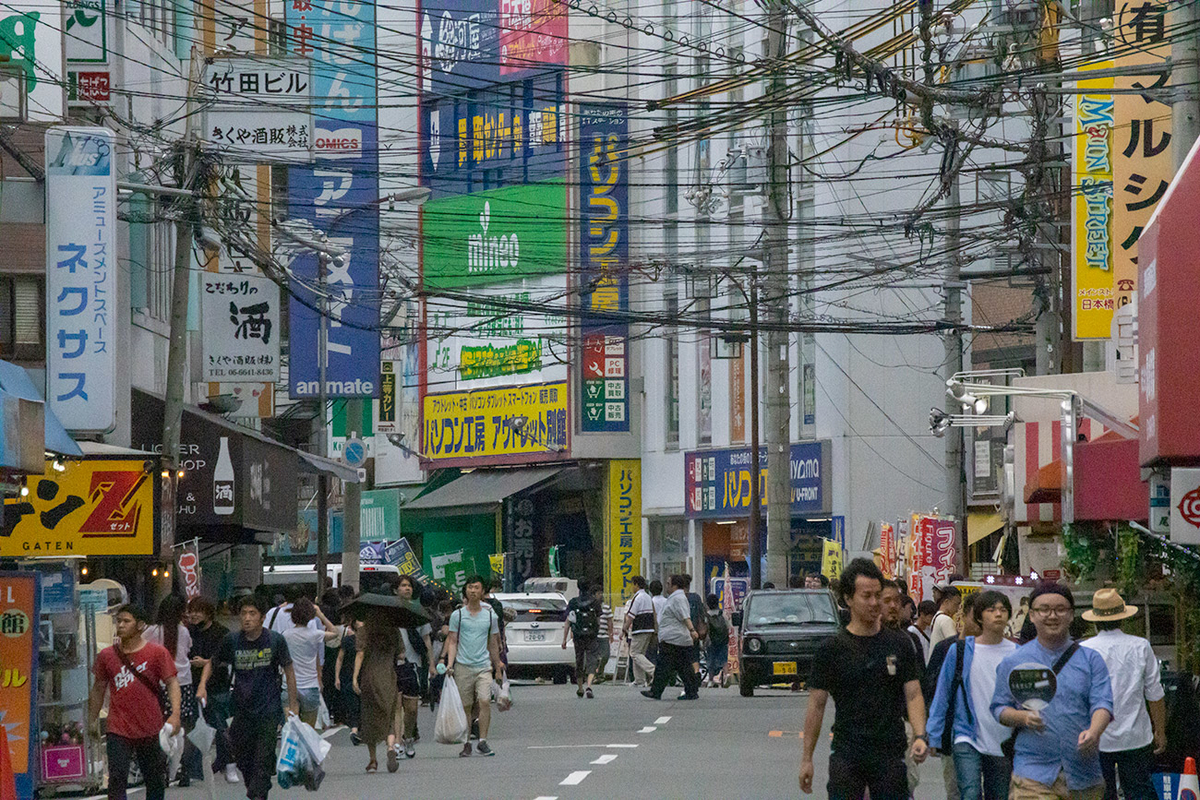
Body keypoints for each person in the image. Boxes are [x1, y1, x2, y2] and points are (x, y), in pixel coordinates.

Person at [799, 558, 929, 798]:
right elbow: (817, 705)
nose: (874, 603)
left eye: (877, 596)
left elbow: (913, 694)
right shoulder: (832, 649)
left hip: (890, 753)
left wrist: (920, 735)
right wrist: (807, 759)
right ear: (848, 599)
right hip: (848, 753)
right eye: (866, 596)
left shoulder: (899, 643)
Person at [991, 583, 1113, 800]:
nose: (1052, 615)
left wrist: (1094, 731)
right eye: (1044, 609)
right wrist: (1023, 717)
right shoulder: (1014, 662)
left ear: (1071, 615)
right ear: (1031, 615)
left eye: (1060, 609)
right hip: (1032, 772)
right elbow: (999, 708)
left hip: (1084, 773)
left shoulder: (1091, 660)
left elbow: (1103, 704)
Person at [198, 593, 298, 800]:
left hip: (268, 710)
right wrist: (202, 686)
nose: (247, 618)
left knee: (262, 760)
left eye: (252, 613)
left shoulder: (275, 640)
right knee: (244, 760)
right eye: (243, 613)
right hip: (240, 711)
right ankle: (256, 791)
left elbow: (289, 669)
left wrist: (293, 705)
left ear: (262, 617)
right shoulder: (232, 640)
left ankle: (258, 794)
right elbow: (212, 662)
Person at [927, 590, 1017, 800]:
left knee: (1000, 794)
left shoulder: (1017, 652)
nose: (998, 614)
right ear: (978, 616)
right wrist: (934, 733)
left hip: (1004, 738)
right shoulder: (959, 651)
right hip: (966, 735)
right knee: (970, 793)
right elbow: (943, 694)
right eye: (991, 609)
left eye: (1003, 610)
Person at [1080, 589, 1167, 800]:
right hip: (1135, 736)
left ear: (1095, 622)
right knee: (1140, 791)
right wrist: (1160, 731)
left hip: (1095, 738)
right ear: (1124, 620)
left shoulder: (1083, 649)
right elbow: (1154, 694)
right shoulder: (1141, 646)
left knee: (1100, 793)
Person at [89, 604, 181, 800]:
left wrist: (175, 715)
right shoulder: (106, 656)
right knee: (117, 779)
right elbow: (98, 689)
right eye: (118, 621)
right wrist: (91, 719)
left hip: (151, 727)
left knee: (155, 780)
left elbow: (172, 683)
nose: (120, 625)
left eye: (126, 621)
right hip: (118, 728)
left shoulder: (157, 653)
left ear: (140, 625)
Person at [446, 575, 504, 757]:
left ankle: (483, 741)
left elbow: (493, 642)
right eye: (470, 587)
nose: (473, 591)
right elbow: (453, 640)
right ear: (465, 590)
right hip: (463, 666)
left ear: (482, 592)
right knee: (466, 705)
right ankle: (466, 742)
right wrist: (450, 664)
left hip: (483, 666)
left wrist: (497, 667)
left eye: (476, 587)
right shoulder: (458, 615)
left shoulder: (490, 616)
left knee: (485, 701)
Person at [144, 594, 197, 787]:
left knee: (161, 727)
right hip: (183, 682)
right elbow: (188, 650)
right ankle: (182, 769)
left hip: (160, 684)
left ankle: (163, 769)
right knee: (182, 727)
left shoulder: (152, 631)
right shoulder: (183, 631)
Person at [187, 596, 238, 784]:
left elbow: (229, 659)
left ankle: (228, 762)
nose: (193, 615)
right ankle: (194, 770)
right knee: (195, 727)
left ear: (208, 613)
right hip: (193, 685)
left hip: (218, 686)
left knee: (220, 726)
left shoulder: (222, 633)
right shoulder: (188, 632)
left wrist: (206, 662)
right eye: (191, 611)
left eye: (198, 611)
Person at [354, 609, 403, 772]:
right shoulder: (394, 630)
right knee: (388, 714)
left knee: (369, 717)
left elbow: (360, 653)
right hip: (388, 676)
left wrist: (354, 677)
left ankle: (373, 760)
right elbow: (401, 653)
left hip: (369, 677)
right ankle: (390, 747)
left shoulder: (364, 630)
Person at [641, 574, 701, 700]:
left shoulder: (678, 598)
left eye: (668, 583)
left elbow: (685, 616)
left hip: (673, 639)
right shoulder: (676, 597)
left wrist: (692, 630)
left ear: (675, 586)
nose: (666, 586)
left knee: (663, 666)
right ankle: (691, 691)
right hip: (676, 639)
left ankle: (656, 691)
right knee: (683, 667)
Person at [281, 597, 339, 727]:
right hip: (310, 685)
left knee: (292, 729)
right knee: (308, 730)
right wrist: (320, 615)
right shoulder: (315, 634)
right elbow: (335, 633)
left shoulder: (285, 635)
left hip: (289, 686)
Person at [394, 574, 433, 759]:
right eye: (402, 585)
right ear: (396, 590)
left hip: (414, 665)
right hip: (393, 665)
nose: (406, 588)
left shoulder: (418, 612)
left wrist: (431, 664)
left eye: (409, 585)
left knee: (411, 708)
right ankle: (397, 744)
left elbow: (426, 640)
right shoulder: (390, 613)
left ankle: (408, 736)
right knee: (396, 707)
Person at [563, 580, 607, 698]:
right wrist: (596, 631)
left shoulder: (573, 602)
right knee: (592, 659)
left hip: (578, 636)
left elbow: (568, 621)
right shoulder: (595, 603)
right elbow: (598, 620)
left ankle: (580, 688)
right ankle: (589, 686)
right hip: (591, 635)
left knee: (579, 659)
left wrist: (564, 639)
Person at [622, 575, 657, 687]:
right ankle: (639, 680)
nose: (632, 587)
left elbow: (631, 615)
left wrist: (625, 628)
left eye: (632, 584)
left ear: (636, 584)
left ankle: (654, 671)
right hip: (649, 628)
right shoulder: (647, 597)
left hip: (640, 629)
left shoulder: (637, 598)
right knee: (639, 653)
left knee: (635, 653)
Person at [334, 614, 362, 745]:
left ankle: (359, 730)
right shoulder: (347, 640)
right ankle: (354, 730)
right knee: (353, 704)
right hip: (348, 676)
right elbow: (340, 658)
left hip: (365, 675)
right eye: (359, 621)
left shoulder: (369, 640)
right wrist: (337, 677)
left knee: (363, 704)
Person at [704, 593, 730, 689]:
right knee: (724, 660)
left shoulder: (706, 615)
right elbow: (728, 626)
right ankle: (726, 676)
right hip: (723, 641)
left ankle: (711, 680)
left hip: (711, 642)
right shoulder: (722, 614)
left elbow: (705, 630)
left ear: (707, 604)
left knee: (711, 660)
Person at [930, 585, 963, 649]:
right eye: (956, 604)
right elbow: (955, 645)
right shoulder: (945, 620)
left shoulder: (937, 617)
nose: (958, 608)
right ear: (946, 602)